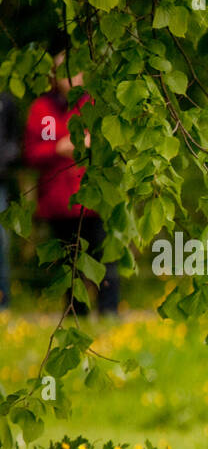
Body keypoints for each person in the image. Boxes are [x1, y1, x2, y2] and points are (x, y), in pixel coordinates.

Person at [25, 51, 119, 315]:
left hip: (94, 200)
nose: (70, 77)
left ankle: (110, 311)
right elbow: (33, 151)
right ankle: (76, 314)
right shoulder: (43, 111)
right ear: (55, 77)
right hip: (59, 201)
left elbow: (110, 145)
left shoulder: (93, 107)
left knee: (104, 257)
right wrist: (57, 148)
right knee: (70, 262)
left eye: (74, 71)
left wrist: (93, 145)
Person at [0, 92, 21, 310]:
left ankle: (3, 302)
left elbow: (14, 143)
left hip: (0, 180)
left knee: (1, 241)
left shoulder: (6, 101)